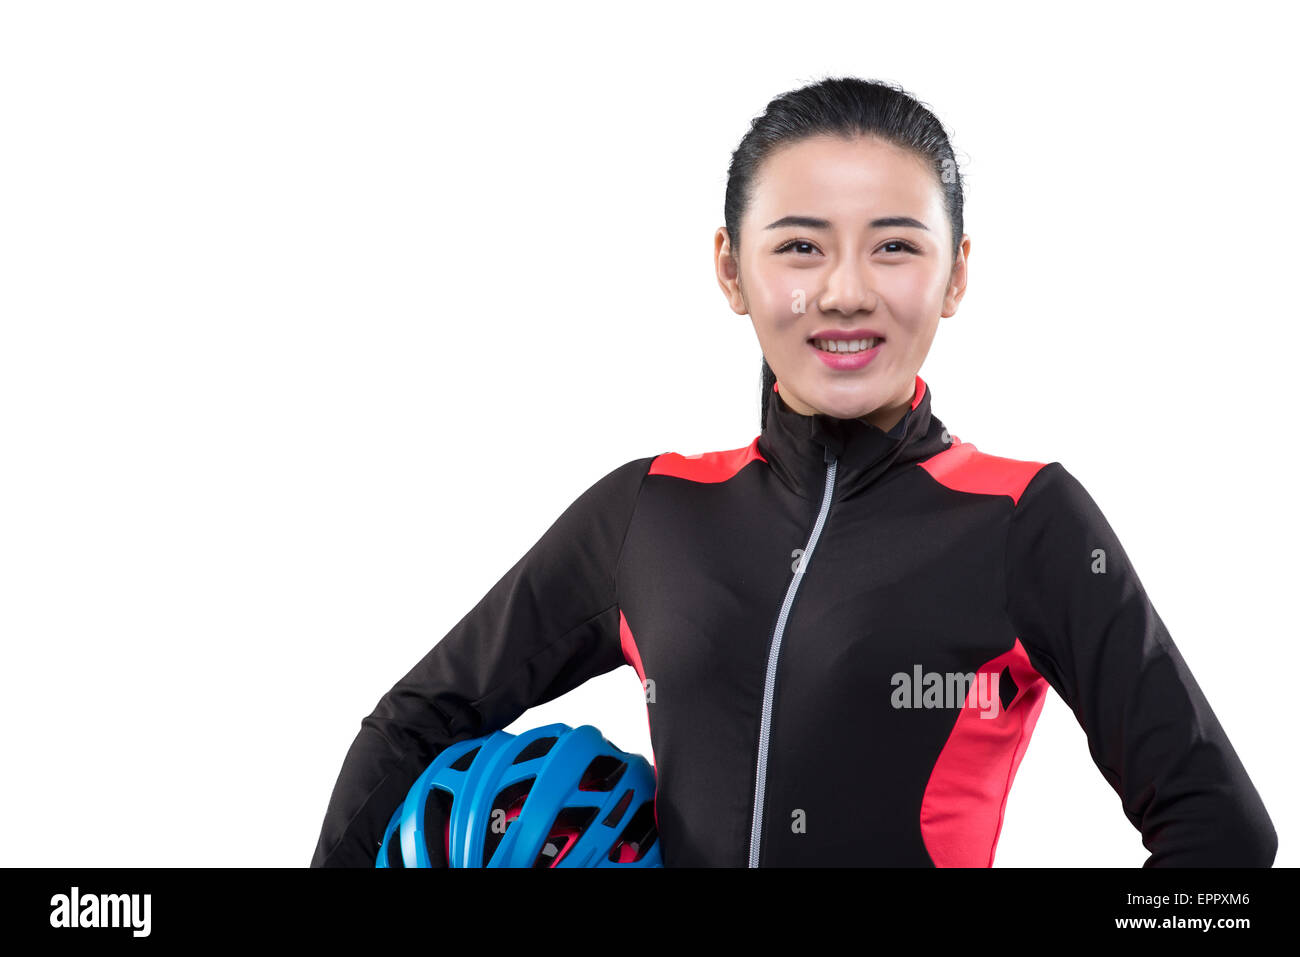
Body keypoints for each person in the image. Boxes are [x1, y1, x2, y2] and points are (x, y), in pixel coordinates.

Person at [311, 75, 1277, 867]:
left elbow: (1221, 835)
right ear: (732, 271)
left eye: (896, 246)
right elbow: (415, 723)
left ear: (957, 274)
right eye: (800, 246)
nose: (847, 291)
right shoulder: (650, 510)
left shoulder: (1026, 517)